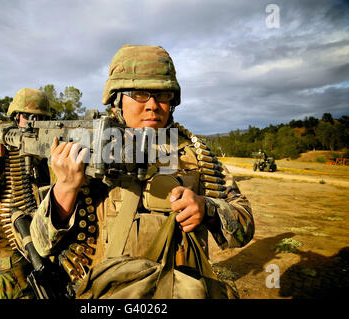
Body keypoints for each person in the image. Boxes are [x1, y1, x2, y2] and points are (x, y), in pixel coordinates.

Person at [30, 45, 255, 297]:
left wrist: (208, 208)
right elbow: (42, 245)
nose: (153, 105)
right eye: (139, 93)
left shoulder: (194, 154)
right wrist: (66, 188)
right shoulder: (86, 149)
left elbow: (244, 228)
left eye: (163, 95)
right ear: (117, 99)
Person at [0, 88, 51, 299]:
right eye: (27, 116)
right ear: (16, 116)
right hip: (7, 230)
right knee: (14, 288)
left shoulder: (47, 144)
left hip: (43, 226)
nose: (32, 121)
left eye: (39, 117)